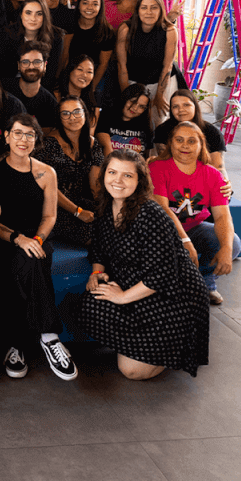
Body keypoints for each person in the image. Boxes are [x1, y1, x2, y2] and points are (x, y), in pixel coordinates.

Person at [78, 149, 210, 379]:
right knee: (92, 303)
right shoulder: (105, 206)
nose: (117, 180)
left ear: (139, 181)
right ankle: (139, 346)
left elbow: (161, 276)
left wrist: (122, 297)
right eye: (112, 172)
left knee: (132, 371)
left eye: (127, 175)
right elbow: (98, 246)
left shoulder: (151, 214)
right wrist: (96, 272)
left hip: (172, 296)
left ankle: (175, 348)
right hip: (136, 284)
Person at [0, 113, 77, 381]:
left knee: (33, 259)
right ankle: (47, 337)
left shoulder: (46, 172)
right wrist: (19, 239)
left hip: (37, 239)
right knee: (25, 263)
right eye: (17, 133)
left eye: (29, 135)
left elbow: (49, 216)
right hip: (6, 239)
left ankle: (19, 345)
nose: (23, 139)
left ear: (36, 139)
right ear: (7, 136)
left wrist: (36, 239)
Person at [149, 121, 240, 305]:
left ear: (201, 145)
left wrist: (226, 249)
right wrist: (185, 241)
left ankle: (204, 282)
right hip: (162, 231)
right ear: (170, 143)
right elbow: (163, 209)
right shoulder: (157, 167)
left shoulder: (213, 175)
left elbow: (222, 216)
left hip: (194, 228)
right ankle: (174, 284)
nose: (185, 145)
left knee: (233, 243)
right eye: (179, 140)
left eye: (191, 141)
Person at [34, 96, 103, 247]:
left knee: (115, 224)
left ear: (85, 113)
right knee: (96, 237)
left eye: (77, 112)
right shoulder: (49, 145)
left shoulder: (92, 143)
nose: (72, 118)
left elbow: (95, 184)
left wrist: (104, 206)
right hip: (52, 205)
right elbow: (48, 187)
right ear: (59, 118)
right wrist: (78, 212)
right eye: (65, 114)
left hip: (79, 200)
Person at [117, 0, 178, 121]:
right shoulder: (125, 29)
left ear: (161, 10)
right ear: (138, 11)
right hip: (133, 80)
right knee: (131, 119)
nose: (149, 12)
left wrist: (159, 95)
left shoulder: (170, 30)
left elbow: (167, 66)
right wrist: (127, 95)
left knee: (158, 120)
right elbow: (122, 66)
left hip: (160, 81)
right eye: (144, 8)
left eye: (154, 7)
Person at [152, 90, 230, 183]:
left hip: (205, 179)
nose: (181, 109)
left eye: (186, 105)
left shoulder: (212, 132)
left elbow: (218, 167)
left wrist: (224, 185)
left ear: (195, 107)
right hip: (173, 178)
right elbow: (165, 162)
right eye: (175, 106)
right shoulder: (163, 130)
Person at [0, 0, 64, 89]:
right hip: (10, 86)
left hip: (41, 88)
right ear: (21, 15)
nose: (33, 18)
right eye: (28, 13)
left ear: (45, 16)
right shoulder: (7, 34)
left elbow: (51, 74)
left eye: (39, 14)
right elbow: (2, 71)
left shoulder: (56, 37)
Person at [60, 0, 115, 90]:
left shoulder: (107, 32)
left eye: (95, 4)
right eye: (85, 3)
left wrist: (91, 88)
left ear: (100, 7)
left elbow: (103, 64)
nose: (89, 7)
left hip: (92, 75)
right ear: (79, 4)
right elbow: (64, 55)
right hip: (69, 71)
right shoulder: (70, 22)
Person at [2, 41, 59, 129]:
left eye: (37, 62)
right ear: (19, 65)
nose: (31, 67)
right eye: (25, 62)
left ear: (45, 65)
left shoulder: (50, 103)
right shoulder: (2, 89)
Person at [96, 84, 153, 156]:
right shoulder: (105, 117)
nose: (135, 108)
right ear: (125, 98)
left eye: (141, 106)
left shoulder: (147, 125)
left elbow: (148, 156)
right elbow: (107, 148)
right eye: (133, 102)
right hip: (109, 161)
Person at [55, 55, 99, 129]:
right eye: (80, 69)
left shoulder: (93, 103)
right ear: (70, 70)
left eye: (89, 72)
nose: (84, 75)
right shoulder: (54, 96)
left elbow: (90, 132)